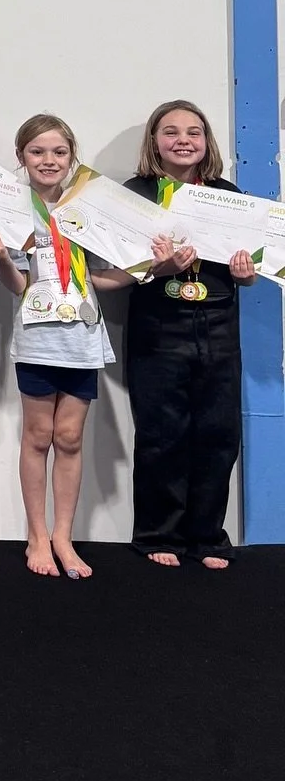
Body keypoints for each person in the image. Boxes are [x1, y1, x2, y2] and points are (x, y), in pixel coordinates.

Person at [0, 114, 133, 579]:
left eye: (59, 152)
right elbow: (18, 284)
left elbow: (102, 278)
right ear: (21, 156)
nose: (49, 160)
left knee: (69, 438)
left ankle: (63, 536)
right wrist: (1, 259)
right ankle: (37, 535)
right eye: (38, 151)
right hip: (37, 339)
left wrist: (150, 267)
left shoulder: (88, 207)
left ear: (71, 157)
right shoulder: (12, 209)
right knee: (38, 436)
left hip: (82, 339)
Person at [123, 100, 256, 569]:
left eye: (193, 132)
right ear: (154, 141)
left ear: (206, 141)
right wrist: (158, 267)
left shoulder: (227, 194)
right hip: (159, 325)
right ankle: (157, 533)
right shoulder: (135, 194)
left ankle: (207, 536)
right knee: (162, 434)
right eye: (171, 131)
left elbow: (248, 264)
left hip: (218, 322)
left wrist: (246, 274)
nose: (183, 140)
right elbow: (117, 262)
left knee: (219, 433)